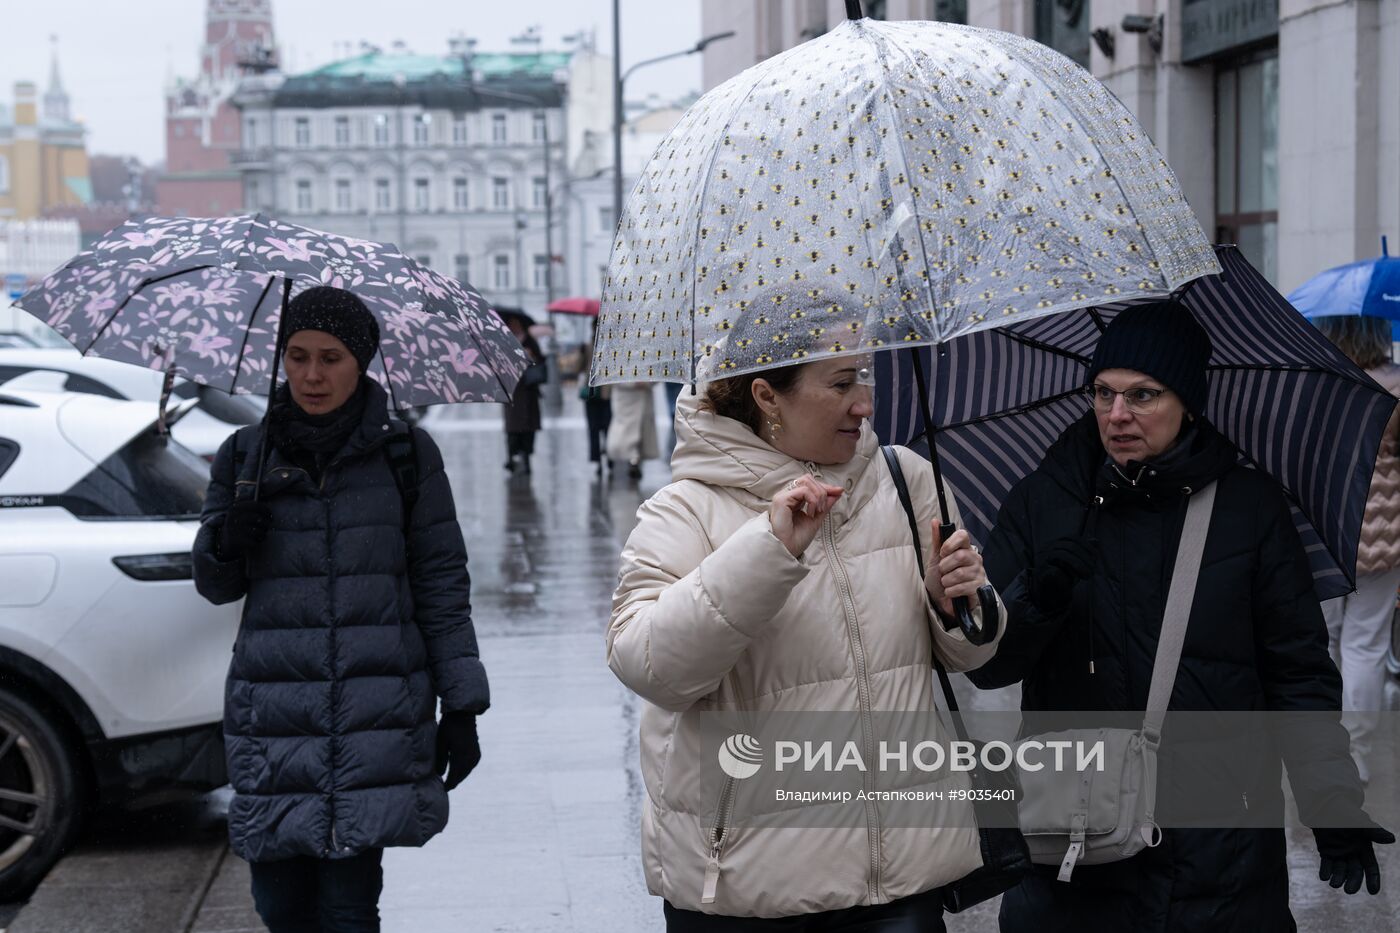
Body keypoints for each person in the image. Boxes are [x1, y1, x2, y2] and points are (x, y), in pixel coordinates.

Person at [972, 302, 1392, 932]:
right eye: (1104, 393)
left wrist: (1330, 800)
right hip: (1077, 843)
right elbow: (988, 663)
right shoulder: (1044, 502)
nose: (1118, 415)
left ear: (1188, 402)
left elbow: (1297, 672)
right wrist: (1037, 599)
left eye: (1143, 395)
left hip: (1217, 848)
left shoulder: (1248, 508)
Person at [606, 354, 1005, 929]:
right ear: (768, 396)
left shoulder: (907, 479)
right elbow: (647, 665)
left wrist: (960, 605)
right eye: (842, 384)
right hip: (751, 886)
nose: (865, 402)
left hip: (902, 879)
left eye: (864, 377)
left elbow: (969, 655)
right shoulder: (686, 510)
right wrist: (767, 552)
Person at [192, 285, 488, 933]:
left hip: (375, 715)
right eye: (296, 356)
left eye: (330, 357)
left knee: (349, 910)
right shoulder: (244, 456)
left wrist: (461, 702)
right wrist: (225, 539)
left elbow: (441, 582)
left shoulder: (406, 456)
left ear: (362, 362)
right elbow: (214, 583)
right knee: (281, 908)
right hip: (275, 714)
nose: (312, 375)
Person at [1316, 315, 1400, 785]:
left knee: (1324, 639)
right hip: (1384, 533)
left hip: (1325, 526)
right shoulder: (1396, 383)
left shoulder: (1317, 380)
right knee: (1366, 644)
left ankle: (1323, 749)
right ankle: (1358, 753)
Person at [502, 318, 543, 474]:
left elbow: (541, 363)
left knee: (528, 428)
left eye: (517, 324)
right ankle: (511, 457)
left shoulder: (531, 342)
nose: (514, 326)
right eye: (512, 324)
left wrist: (531, 357)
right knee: (512, 429)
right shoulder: (505, 341)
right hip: (512, 391)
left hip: (528, 392)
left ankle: (526, 459)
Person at [580, 318, 613, 477]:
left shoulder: (612, 345)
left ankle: (610, 458)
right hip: (592, 394)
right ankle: (598, 461)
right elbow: (579, 367)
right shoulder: (587, 346)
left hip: (607, 394)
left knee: (608, 428)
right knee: (594, 429)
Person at [606, 380, 659, 479]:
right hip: (625, 396)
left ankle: (634, 458)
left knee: (640, 429)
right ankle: (627, 456)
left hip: (642, 395)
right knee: (624, 429)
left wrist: (647, 383)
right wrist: (634, 383)